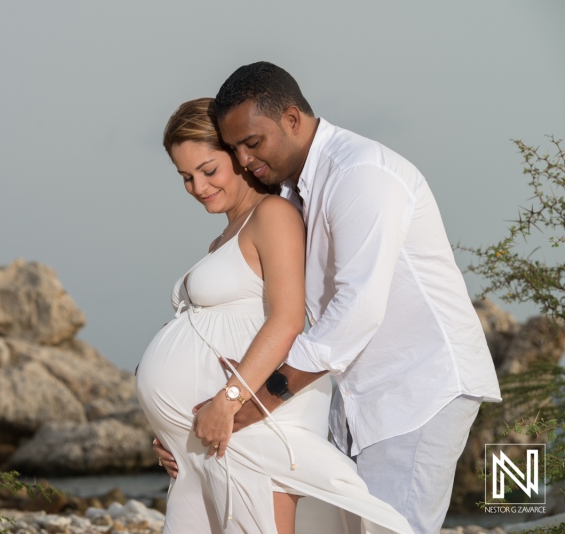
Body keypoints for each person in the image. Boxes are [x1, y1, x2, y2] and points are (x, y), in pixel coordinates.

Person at [154, 62, 502, 534]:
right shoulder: (293, 190)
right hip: (356, 396)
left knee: (394, 528)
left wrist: (252, 402)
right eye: (234, 149)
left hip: (416, 387)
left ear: (292, 119)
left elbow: (355, 311)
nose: (243, 160)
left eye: (251, 143)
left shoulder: (360, 174)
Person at [136, 97, 413, 534]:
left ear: (240, 157)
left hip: (253, 424)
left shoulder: (274, 215)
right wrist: (174, 431)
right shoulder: (224, 238)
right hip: (214, 437)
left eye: (209, 170)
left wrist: (228, 401)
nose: (198, 187)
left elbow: (287, 320)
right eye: (185, 177)